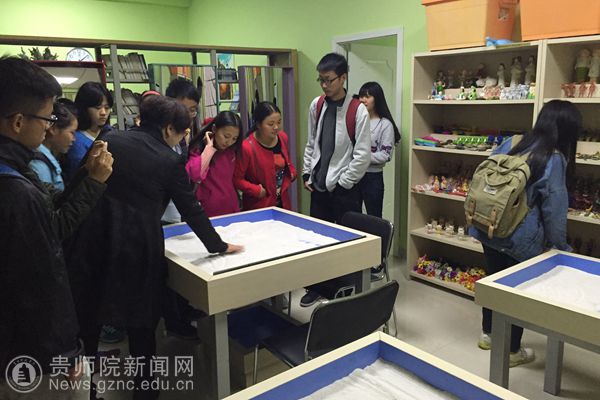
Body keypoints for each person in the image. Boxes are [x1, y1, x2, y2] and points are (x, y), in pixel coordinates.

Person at [63, 95, 242, 399]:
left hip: (94, 240)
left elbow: (79, 181)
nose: (181, 140)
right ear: (169, 128)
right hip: (138, 247)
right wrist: (219, 245)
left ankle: (88, 390)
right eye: (181, 134)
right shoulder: (168, 160)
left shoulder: (110, 139)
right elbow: (191, 208)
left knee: (89, 320)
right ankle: (145, 390)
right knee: (142, 323)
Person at [0, 56, 113, 398]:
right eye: (47, 118)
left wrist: (85, 175)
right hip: (33, 356)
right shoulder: (15, 191)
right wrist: (66, 352)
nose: (49, 128)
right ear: (18, 122)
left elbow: (50, 202)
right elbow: (43, 280)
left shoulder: (18, 169)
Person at [470, 100, 580, 367]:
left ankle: (488, 335)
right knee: (517, 292)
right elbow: (554, 208)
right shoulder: (554, 158)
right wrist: (561, 247)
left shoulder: (514, 141)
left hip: (489, 225)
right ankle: (511, 351)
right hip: (521, 238)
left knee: (494, 280)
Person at [300, 53, 371, 307]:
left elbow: (362, 155)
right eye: (320, 79)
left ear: (343, 78)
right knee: (317, 240)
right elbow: (312, 143)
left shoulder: (357, 110)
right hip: (319, 187)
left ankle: (344, 289)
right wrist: (307, 173)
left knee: (345, 242)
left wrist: (344, 183)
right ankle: (316, 287)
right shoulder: (317, 105)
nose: (324, 85)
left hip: (344, 190)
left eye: (328, 80)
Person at [234, 101, 296, 210]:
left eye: (279, 122)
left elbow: (287, 162)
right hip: (259, 205)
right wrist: (256, 190)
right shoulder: (247, 147)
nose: (276, 127)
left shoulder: (282, 137)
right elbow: (237, 179)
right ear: (258, 124)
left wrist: (291, 171)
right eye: (271, 124)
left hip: (282, 202)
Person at [186, 111, 243, 217]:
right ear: (214, 129)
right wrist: (209, 149)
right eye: (226, 136)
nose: (229, 142)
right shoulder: (199, 149)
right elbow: (195, 174)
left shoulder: (232, 150)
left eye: (234, 138)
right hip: (208, 210)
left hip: (231, 207)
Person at [356, 82, 401, 219]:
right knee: (352, 217)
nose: (363, 100)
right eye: (361, 96)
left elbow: (385, 155)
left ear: (377, 99)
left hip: (373, 178)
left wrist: (362, 157)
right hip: (353, 175)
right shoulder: (356, 120)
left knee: (374, 218)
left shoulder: (385, 124)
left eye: (367, 96)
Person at [63, 82, 113, 183]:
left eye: (107, 108)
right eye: (97, 108)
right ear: (84, 108)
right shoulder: (76, 140)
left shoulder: (109, 131)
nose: (103, 113)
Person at [29, 99, 78, 191]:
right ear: (53, 129)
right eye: (72, 132)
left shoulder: (46, 160)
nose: (74, 139)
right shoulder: (40, 166)